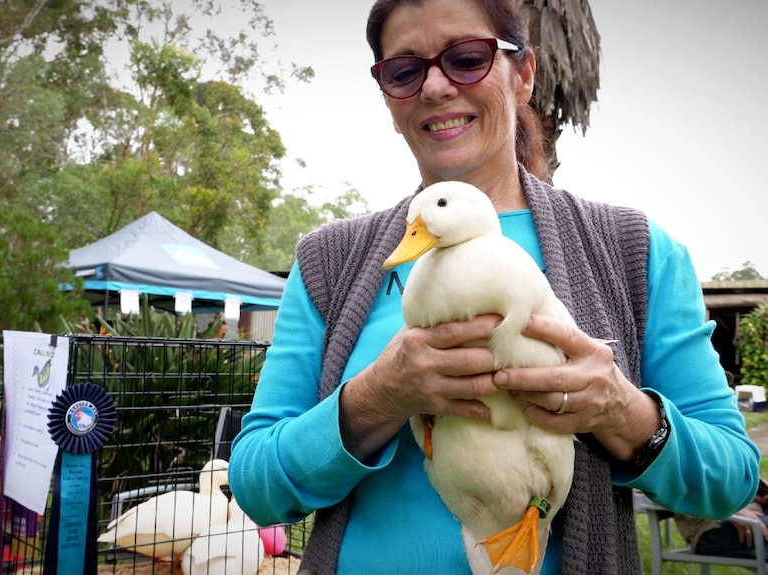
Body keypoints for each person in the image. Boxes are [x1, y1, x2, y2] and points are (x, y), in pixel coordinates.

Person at [227, 0, 761, 573]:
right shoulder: (330, 261)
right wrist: (381, 396)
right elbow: (257, 487)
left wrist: (619, 409)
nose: (435, 87)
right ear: (387, 96)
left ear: (523, 74)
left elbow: (729, 478)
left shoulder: (636, 250)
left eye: (466, 58)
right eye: (405, 71)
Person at [675, 479, 768, 560]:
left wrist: (753, 488)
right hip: (711, 523)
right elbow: (669, 485)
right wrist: (727, 509)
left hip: (752, 507)